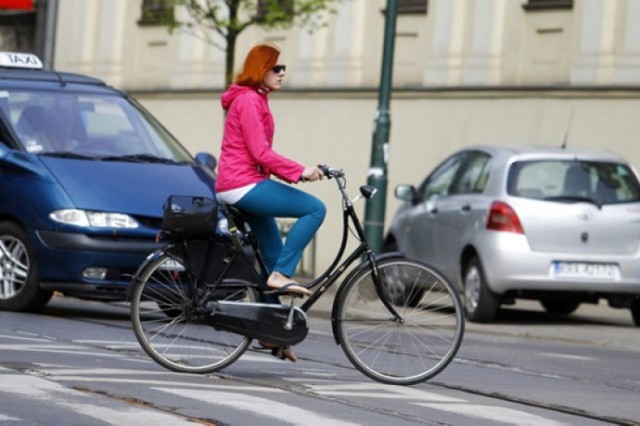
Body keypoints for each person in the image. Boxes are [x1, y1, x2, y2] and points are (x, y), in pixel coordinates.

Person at [215, 43, 326, 361]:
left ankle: (271, 334)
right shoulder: (249, 100)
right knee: (314, 208)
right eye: (277, 67)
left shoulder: (254, 99)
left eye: (283, 68)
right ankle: (282, 275)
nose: (282, 73)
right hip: (243, 184)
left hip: (243, 182)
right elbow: (260, 152)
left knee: (272, 256)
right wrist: (300, 172)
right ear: (260, 69)